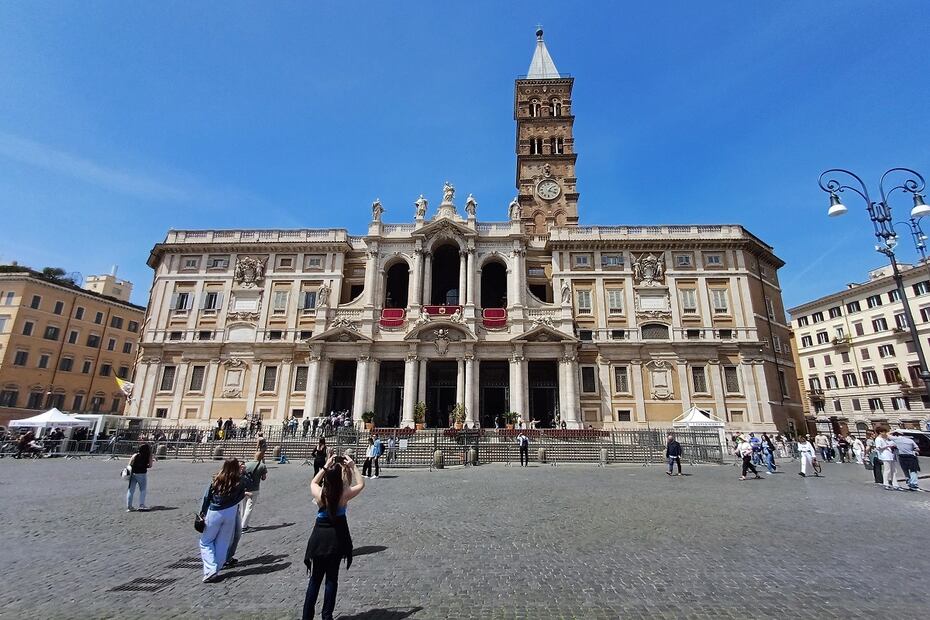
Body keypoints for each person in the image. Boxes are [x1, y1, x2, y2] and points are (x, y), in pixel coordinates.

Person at [303, 454, 364, 620]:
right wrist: (353, 466)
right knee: (331, 579)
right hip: (336, 539)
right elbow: (361, 484)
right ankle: (327, 615)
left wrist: (325, 467)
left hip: (319, 539)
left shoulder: (321, 494)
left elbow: (313, 482)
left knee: (315, 580)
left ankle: (307, 616)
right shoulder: (344, 494)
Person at [198, 459, 249, 583]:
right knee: (223, 542)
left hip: (215, 511)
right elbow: (241, 496)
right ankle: (216, 568)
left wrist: (202, 512)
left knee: (206, 541)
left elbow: (207, 496)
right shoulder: (240, 481)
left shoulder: (217, 478)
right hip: (231, 512)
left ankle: (211, 569)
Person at [241, 451, 268, 531]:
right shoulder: (262, 466)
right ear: (262, 457)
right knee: (249, 508)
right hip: (254, 489)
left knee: (242, 507)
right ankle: (244, 526)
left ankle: (240, 524)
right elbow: (263, 478)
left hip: (244, 488)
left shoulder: (246, 464)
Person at [126, 443, 154, 511]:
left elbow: (129, 464)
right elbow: (150, 465)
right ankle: (141, 505)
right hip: (142, 473)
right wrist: (145, 465)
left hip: (133, 473)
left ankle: (129, 506)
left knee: (131, 490)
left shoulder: (135, 455)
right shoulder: (148, 456)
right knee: (143, 490)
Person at [873, 425, 900, 491]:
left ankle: (895, 484)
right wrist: (888, 446)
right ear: (880, 432)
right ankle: (886, 483)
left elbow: (889, 434)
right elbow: (878, 448)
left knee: (894, 470)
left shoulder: (884, 438)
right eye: (884, 432)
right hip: (885, 456)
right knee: (887, 470)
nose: (885, 433)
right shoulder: (878, 439)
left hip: (891, 455)